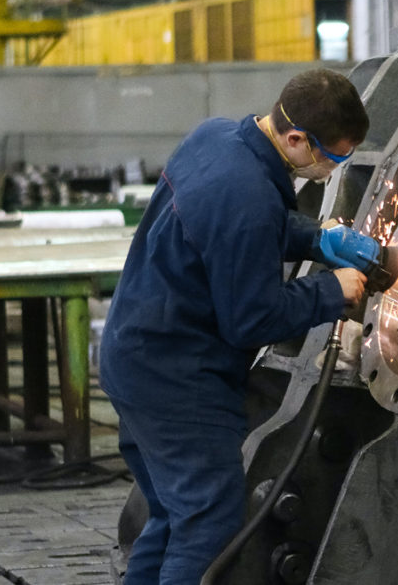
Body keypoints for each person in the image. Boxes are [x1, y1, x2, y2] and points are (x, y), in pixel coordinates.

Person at [99, 68, 369, 585]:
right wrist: (331, 292)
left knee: (171, 515)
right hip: (177, 379)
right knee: (206, 525)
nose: (332, 170)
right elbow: (252, 318)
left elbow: (236, 229)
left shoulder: (216, 138)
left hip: (134, 353)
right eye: (332, 158)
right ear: (296, 139)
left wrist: (317, 241)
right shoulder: (246, 196)